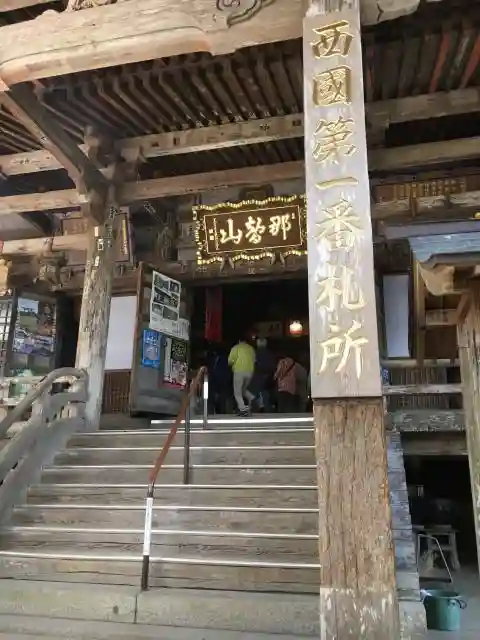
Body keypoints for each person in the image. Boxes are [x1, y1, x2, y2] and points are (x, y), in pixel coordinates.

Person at [228, 337, 256, 416]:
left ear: (239, 341)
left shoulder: (236, 348)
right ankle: (252, 398)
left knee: (237, 392)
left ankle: (243, 409)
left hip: (239, 371)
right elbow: (254, 360)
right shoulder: (251, 348)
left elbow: (230, 361)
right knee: (243, 389)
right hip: (250, 372)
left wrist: (232, 364)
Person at [248, 338, 276, 412]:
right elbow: (273, 367)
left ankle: (255, 409)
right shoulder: (270, 354)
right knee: (265, 396)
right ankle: (266, 409)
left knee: (254, 396)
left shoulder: (252, 353)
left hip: (254, 379)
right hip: (266, 379)